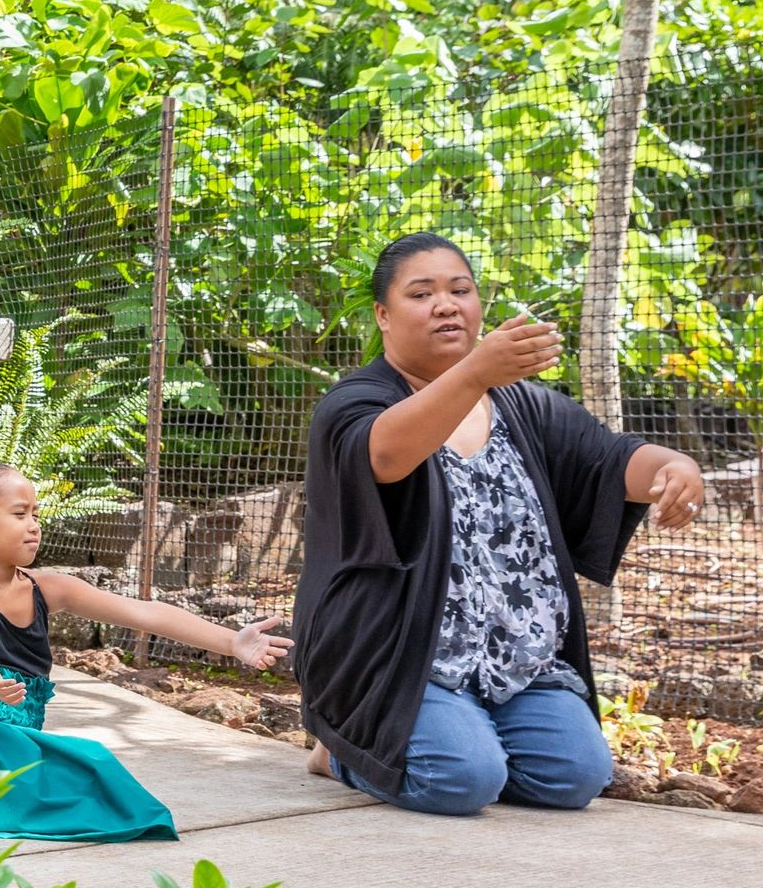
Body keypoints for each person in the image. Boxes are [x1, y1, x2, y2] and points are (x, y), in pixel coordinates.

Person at [293, 233, 705, 815]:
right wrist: (476, 372)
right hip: (401, 656)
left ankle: (459, 734)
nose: (446, 304)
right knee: (461, 782)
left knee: (576, 777)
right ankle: (341, 751)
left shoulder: (521, 405)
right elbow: (384, 457)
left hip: (513, 654)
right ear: (383, 316)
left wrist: (676, 466)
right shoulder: (355, 401)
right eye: (422, 293)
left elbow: (609, 459)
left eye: (460, 290)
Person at [0, 461, 291, 842]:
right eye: (19, 513)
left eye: (36, 513)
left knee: (94, 779)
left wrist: (231, 641)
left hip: (19, 738)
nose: (34, 524)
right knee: (78, 770)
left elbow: (146, 613)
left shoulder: (48, 587)